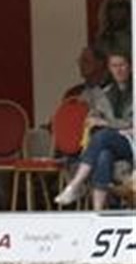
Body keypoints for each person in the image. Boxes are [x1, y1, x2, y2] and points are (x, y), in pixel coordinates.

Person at [55, 50, 133, 210]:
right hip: (113, 142)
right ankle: (98, 211)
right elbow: (96, 116)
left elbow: (131, 123)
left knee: (103, 136)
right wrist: (93, 118)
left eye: (122, 65)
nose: (118, 70)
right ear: (109, 68)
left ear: (130, 67)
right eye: (114, 66)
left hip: (131, 141)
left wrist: (106, 123)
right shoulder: (106, 93)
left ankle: (76, 184)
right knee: (104, 154)